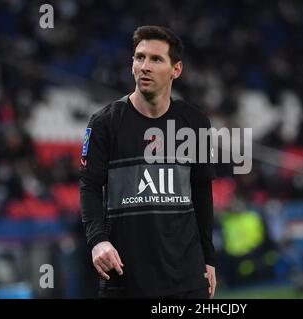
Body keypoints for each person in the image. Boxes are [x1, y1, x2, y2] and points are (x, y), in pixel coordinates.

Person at [79, 26, 216, 299]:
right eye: (139, 57)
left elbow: (202, 192)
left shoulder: (195, 123)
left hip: (187, 279)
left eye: (155, 59)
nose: (144, 66)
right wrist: (98, 241)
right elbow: (89, 186)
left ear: (176, 70)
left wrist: (208, 258)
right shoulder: (105, 123)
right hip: (126, 279)